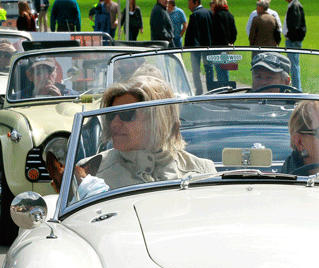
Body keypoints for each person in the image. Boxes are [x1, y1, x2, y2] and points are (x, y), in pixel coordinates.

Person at [79, 76, 216, 190]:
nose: (115, 123)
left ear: (158, 119)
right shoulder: (88, 173)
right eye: (111, 115)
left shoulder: (202, 171)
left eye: (127, 114)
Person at [183, 0, 212, 94]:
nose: (188, 6)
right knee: (209, 68)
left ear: (196, 3)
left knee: (196, 70)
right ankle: (211, 89)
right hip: (209, 46)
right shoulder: (209, 12)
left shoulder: (194, 15)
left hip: (197, 48)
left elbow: (191, 33)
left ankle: (199, 90)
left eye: (190, 4)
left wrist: (187, 46)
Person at [209, 0, 236, 85]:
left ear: (217, 3)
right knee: (225, 69)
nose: (210, 5)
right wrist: (230, 42)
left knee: (220, 69)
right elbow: (234, 31)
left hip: (219, 48)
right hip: (227, 47)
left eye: (212, 2)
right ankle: (227, 86)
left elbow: (220, 32)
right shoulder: (230, 14)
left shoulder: (217, 15)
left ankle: (223, 87)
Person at [283, 0, 306, 91]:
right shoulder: (292, 5)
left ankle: (297, 89)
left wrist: (290, 37)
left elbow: (295, 26)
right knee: (293, 65)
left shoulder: (295, 6)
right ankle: (296, 88)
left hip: (293, 41)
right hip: (293, 40)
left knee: (294, 66)